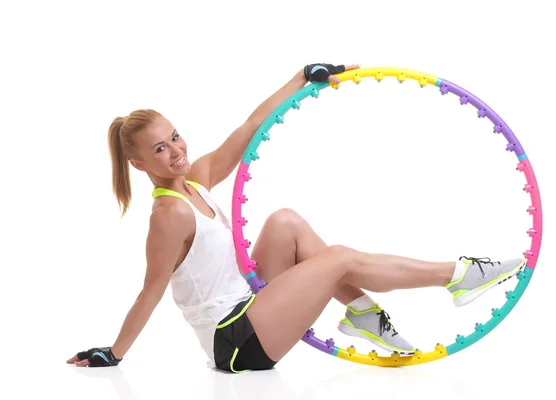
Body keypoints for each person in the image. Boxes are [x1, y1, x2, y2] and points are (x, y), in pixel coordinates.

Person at [66, 63, 525, 372]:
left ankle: (363, 312)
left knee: (285, 221)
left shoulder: (197, 180)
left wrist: (303, 76)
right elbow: (152, 290)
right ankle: (459, 275)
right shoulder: (169, 213)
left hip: (249, 307)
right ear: (140, 164)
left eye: (175, 137)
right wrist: (115, 352)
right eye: (159, 149)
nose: (175, 151)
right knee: (340, 258)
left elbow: (250, 127)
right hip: (235, 341)